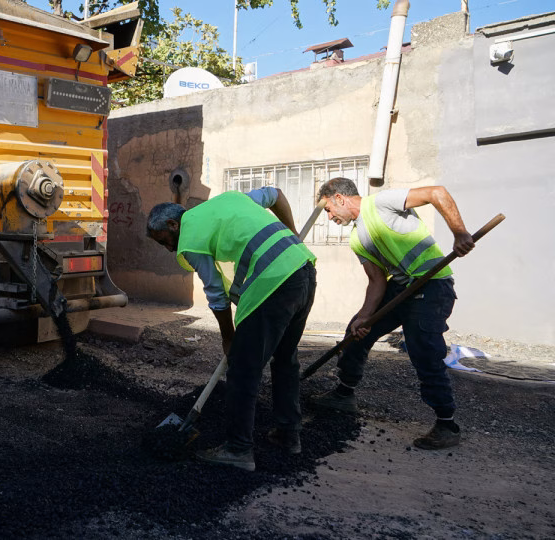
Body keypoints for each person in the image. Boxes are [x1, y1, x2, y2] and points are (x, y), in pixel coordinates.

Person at [147, 187, 317, 471]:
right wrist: (293, 236)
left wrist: (229, 338)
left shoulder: (190, 238)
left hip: (273, 284)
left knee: (242, 369)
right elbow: (275, 194)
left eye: (165, 241)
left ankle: (238, 450)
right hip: (304, 271)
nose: (168, 249)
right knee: (285, 359)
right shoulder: (230, 200)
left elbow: (215, 294)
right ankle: (289, 435)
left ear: (173, 224)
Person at [311, 177, 475, 450]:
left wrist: (459, 233)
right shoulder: (357, 239)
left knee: (424, 351)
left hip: (431, 286)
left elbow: (437, 192)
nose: (329, 217)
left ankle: (447, 424)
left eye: (328, 209)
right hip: (399, 289)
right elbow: (377, 282)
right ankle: (344, 393)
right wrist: (364, 317)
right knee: (356, 332)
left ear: (339, 198)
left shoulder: (381, 204)